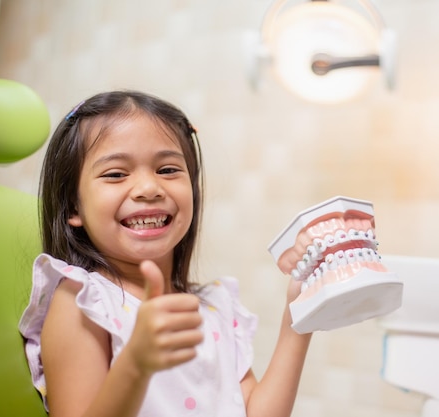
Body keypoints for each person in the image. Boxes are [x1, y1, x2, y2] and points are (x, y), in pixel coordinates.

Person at [19, 90, 312, 417]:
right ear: (74, 205)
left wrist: (300, 312)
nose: (149, 188)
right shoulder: (83, 301)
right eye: (116, 174)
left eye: (168, 170)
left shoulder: (214, 305)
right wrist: (135, 364)